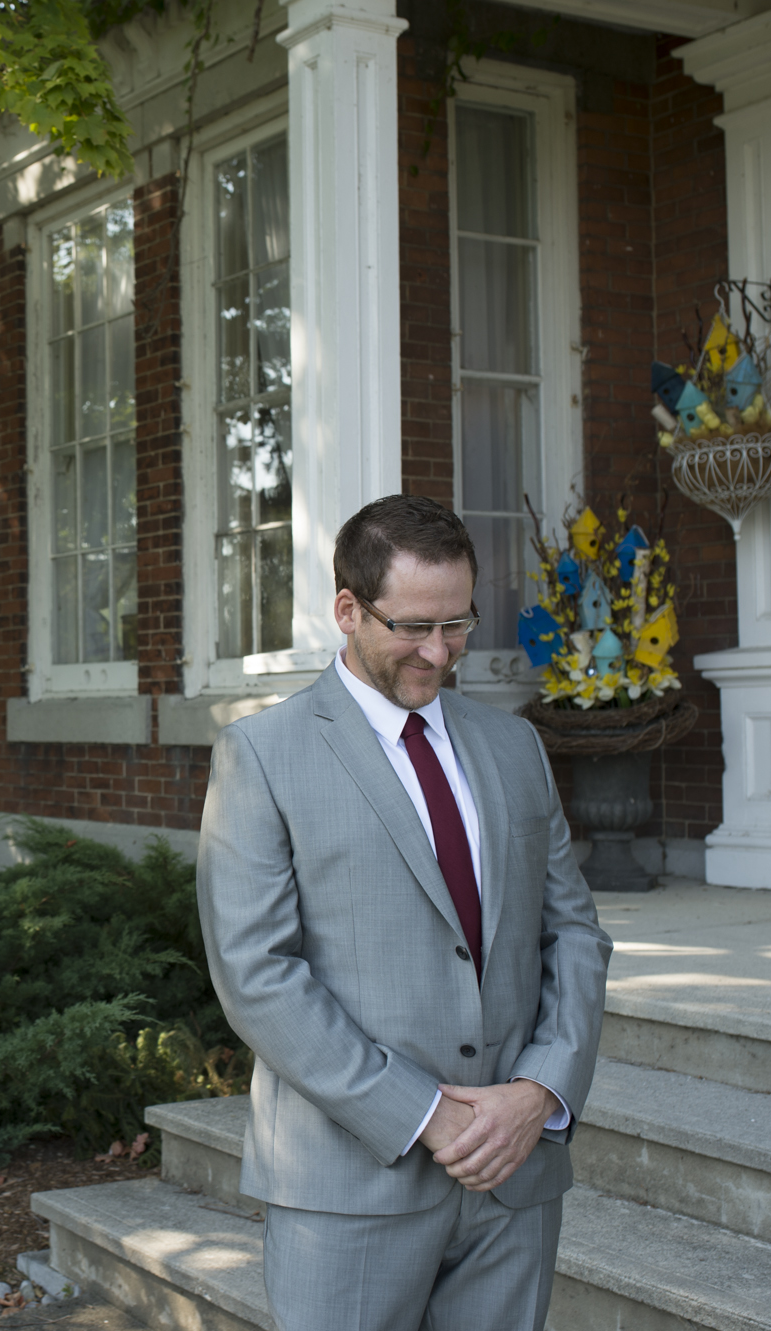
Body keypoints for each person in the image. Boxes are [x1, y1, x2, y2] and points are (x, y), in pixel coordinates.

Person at [196, 494, 611, 1331]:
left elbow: (572, 932)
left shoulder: (515, 746)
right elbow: (258, 975)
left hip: (513, 1175)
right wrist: (424, 1113)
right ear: (347, 609)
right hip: (348, 1185)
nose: (438, 651)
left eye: (458, 625)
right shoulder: (261, 756)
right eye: (414, 626)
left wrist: (539, 1089)